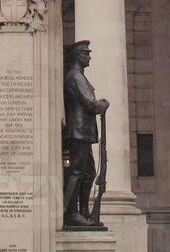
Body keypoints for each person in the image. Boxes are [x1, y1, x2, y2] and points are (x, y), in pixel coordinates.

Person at [63, 40, 109, 228]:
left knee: (88, 173)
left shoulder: (79, 76)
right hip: (78, 131)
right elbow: (89, 103)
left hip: (83, 132)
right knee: (77, 172)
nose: (89, 56)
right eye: (85, 54)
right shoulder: (75, 76)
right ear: (77, 56)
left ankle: (83, 212)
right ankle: (70, 212)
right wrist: (103, 104)